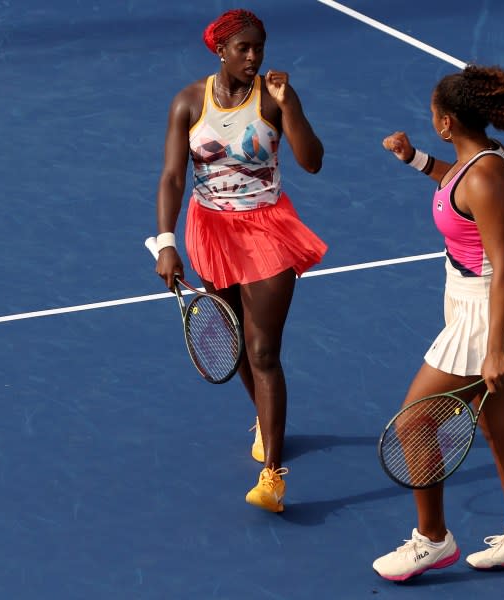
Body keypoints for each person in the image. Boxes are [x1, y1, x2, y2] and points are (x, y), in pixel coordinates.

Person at [372, 64, 504, 580]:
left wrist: (494, 348)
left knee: (414, 421)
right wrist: (414, 160)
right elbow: (457, 192)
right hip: (470, 301)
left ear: (447, 122)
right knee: (500, 428)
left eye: (434, 114)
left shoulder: (487, 176)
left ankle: (432, 540)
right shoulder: (476, 163)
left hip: (486, 312)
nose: (432, 119)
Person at [153, 9, 327, 513]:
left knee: (263, 351)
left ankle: (272, 475)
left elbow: (312, 161)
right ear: (220, 51)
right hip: (210, 231)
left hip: (267, 229)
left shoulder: (272, 100)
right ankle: (264, 419)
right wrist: (167, 241)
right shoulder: (189, 102)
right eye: (243, 49)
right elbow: (171, 178)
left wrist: (289, 105)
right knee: (237, 345)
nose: (254, 58)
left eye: (260, 48)